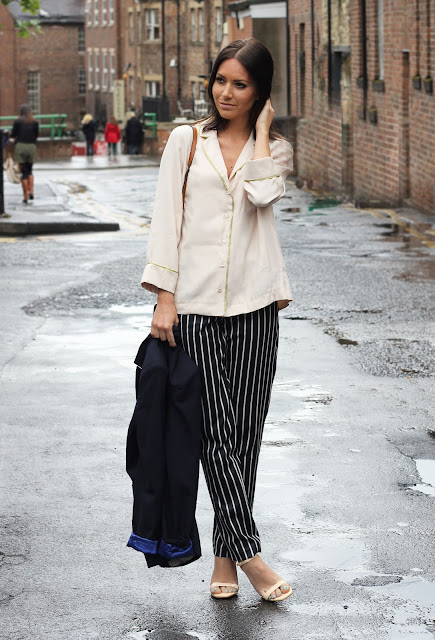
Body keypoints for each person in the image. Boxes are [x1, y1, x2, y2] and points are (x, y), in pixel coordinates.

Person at [141, 38, 294, 603]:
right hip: (197, 311)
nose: (226, 93)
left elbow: (262, 195)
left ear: (259, 92)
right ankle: (251, 555)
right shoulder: (186, 141)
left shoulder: (274, 150)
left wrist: (261, 131)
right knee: (214, 433)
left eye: (240, 84)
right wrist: (165, 297)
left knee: (245, 438)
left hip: (257, 308)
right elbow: (166, 220)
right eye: (220, 80)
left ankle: (224, 560)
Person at [10, 104, 39, 204]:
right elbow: (36, 135)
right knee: (30, 170)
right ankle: (31, 192)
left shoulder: (17, 122)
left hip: (20, 147)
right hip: (31, 147)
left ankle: (25, 197)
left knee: (24, 172)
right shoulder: (35, 122)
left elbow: (13, 134)